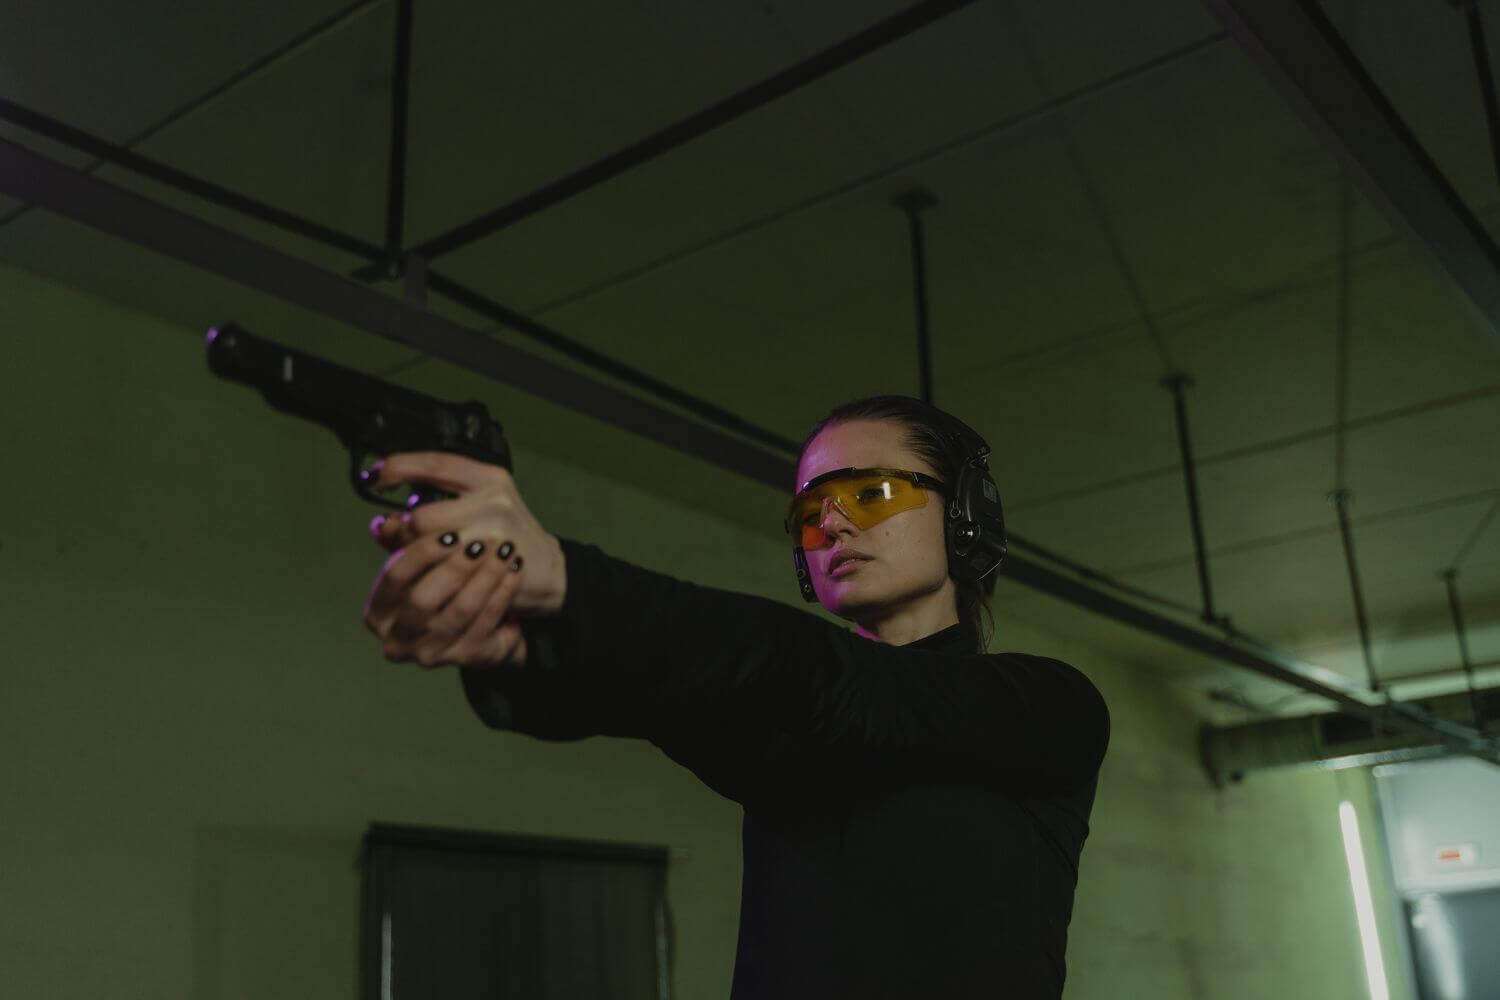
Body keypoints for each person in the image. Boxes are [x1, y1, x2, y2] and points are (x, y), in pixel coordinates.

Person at [362, 394, 1111, 999]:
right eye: (809, 513)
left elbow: (828, 684)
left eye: (871, 493)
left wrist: (568, 578)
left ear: (965, 514)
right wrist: (519, 643)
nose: (833, 522)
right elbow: (668, 691)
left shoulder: (1048, 709)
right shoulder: (794, 726)